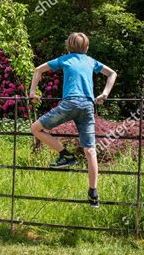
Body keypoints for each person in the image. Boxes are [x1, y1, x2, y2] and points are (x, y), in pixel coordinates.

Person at [29, 32, 117, 207]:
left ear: (68, 47)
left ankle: (66, 156)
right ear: (87, 47)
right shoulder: (91, 61)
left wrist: (32, 92)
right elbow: (112, 73)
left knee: (35, 128)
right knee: (90, 150)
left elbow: (38, 69)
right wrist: (105, 94)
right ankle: (93, 194)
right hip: (87, 106)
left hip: (70, 104)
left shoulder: (65, 59)